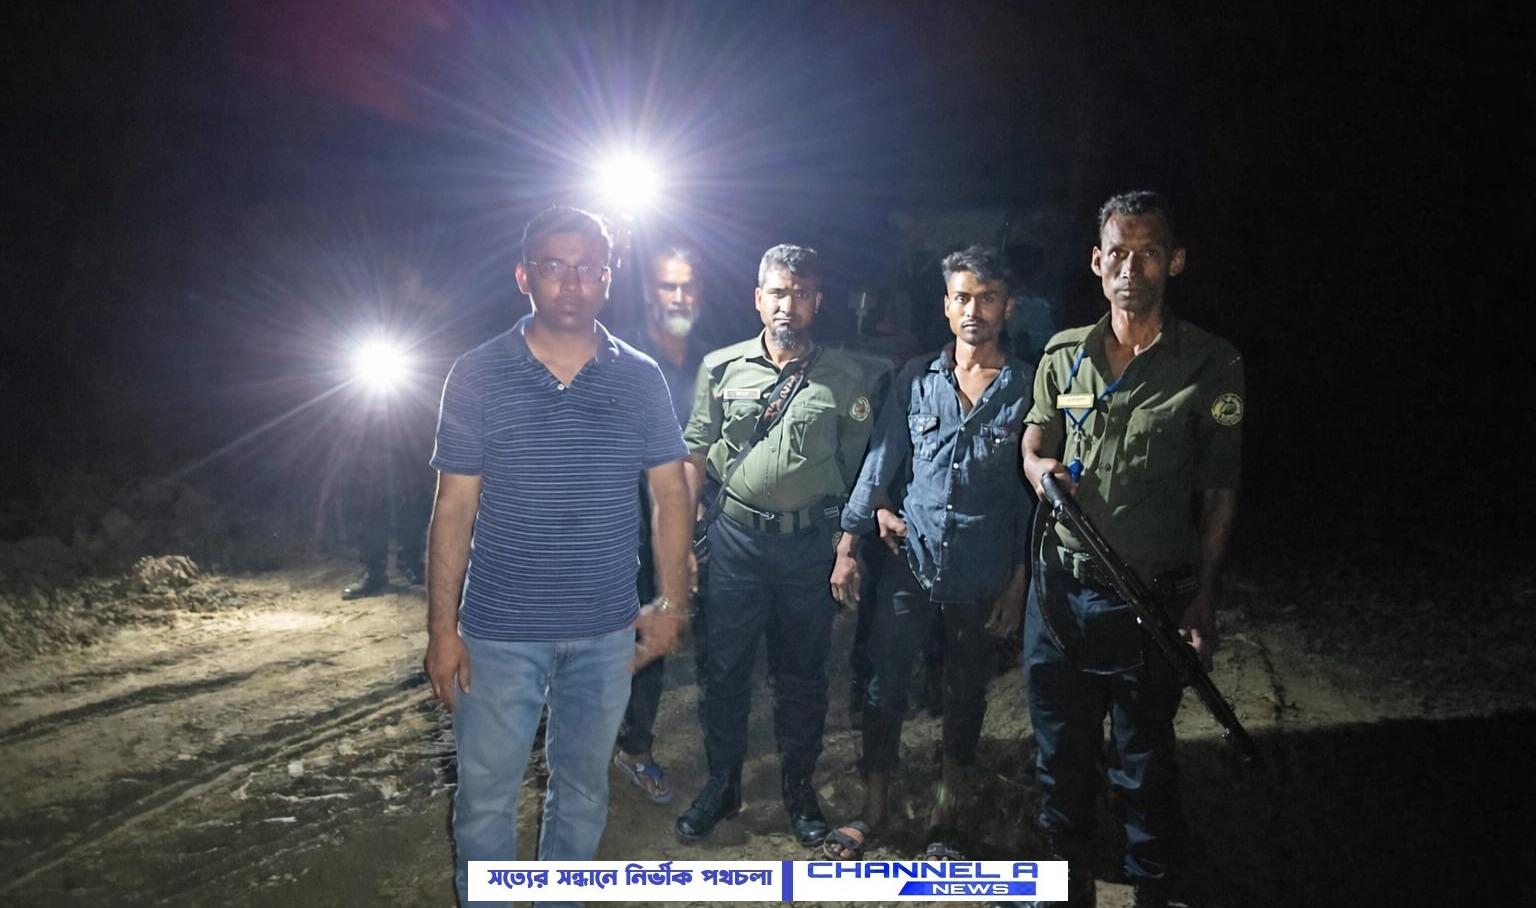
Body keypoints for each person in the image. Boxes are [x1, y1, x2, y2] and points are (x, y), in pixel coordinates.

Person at [423, 206, 692, 907]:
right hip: (499, 632)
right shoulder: (477, 373)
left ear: (609, 278)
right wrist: (442, 630)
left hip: (605, 634)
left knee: (582, 792)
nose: (573, 283)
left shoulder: (639, 378)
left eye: (589, 268)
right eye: (554, 266)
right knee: (485, 800)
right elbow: (453, 508)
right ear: (524, 275)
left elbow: (670, 493)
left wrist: (671, 601)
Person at [1017, 191, 1243, 908]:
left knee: (1143, 760)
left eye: (1148, 253)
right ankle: (1070, 880)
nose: (1130, 267)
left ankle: (1151, 884)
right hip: (1059, 595)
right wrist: (1038, 468)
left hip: (1149, 598)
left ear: (1174, 262)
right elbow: (1035, 438)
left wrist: (1204, 596)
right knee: (1061, 753)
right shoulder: (1064, 355)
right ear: (1096, 261)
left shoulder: (1209, 362)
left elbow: (1219, 489)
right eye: (1117, 252)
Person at [822, 246, 1034, 862]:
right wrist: (848, 542)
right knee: (884, 686)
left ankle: (946, 818)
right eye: (963, 297)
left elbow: (1030, 499)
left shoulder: (1027, 388)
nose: (974, 311)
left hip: (982, 573)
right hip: (909, 563)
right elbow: (882, 460)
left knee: (964, 696)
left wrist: (1018, 581)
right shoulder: (916, 377)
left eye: (987, 298)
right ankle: (874, 811)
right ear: (946, 306)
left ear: (1008, 307)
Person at [675, 243, 885, 846]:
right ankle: (723, 784)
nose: (787, 304)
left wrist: (846, 545)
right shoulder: (721, 368)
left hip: (807, 546)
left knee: (803, 675)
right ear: (757, 299)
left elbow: (861, 467)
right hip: (735, 542)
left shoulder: (845, 376)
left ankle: (798, 788)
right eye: (776, 292)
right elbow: (694, 455)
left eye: (799, 293)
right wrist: (684, 541)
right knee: (724, 669)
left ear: (816, 302)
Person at [612, 243, 707, 804]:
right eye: (667, 285)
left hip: (674, 523)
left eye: (687, 285)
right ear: (650, 291)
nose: (678, 296)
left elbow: (701, 453)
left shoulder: (709, 365)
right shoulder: (616, 356)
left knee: (659, 624)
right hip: (613, 523)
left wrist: (687, 532)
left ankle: (635, 746)